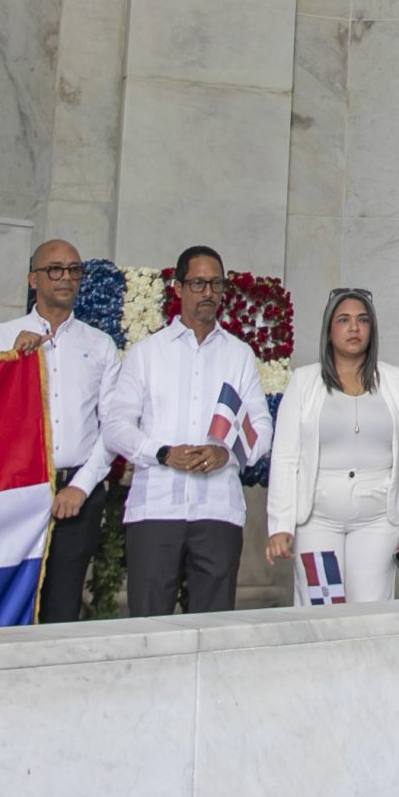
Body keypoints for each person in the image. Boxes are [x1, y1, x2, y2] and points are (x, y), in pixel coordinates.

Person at [100, 246, 271, 616]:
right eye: (198, 283)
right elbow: (115, 426)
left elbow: (261, 425)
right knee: (149, 623)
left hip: (218, 511)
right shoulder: (147, 353)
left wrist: (228, 453)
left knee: (212, 627)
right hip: (156, 509)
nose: (208, 292)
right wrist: (162, 453)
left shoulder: (238, 354)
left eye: (216, 284)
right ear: (178, 287)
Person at [0, 239, 119, 624]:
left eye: (74, 269)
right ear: (32, 279)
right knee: (5, 600)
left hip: (77, 494)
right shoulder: (0, 338)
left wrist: (81, 486)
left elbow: (113, 427)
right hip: (16, 492)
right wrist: (10, 363)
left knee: (62, 605)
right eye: (55, 269)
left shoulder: (100, 345)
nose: (66, 277)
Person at [265, 289, 399, 604]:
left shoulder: (397, 381)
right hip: (317, 519)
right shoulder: (304, 382)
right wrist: (280, 525)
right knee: (322, 608)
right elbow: (285, 459)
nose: (354, 328)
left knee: (371, 611)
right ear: (329, 330)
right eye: (344, 320)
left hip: (378, 520)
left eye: (362, 320)